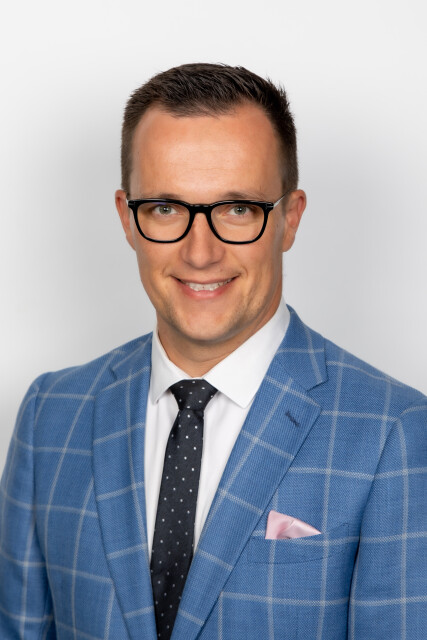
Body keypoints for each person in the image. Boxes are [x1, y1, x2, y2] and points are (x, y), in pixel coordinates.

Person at [0, 63, 425, 640]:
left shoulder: (392, 435)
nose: (200, 253)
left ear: (290, 218)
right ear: (127, 218)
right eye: (166, 208)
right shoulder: (50, 416)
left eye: (237, 209)